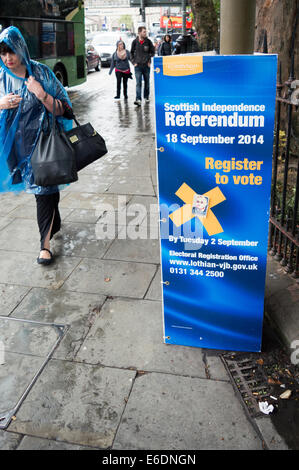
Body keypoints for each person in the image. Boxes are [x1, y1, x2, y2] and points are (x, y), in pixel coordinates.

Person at [0, 26, 73, 266]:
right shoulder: (1, 78)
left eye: (11, 52)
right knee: (44, 194)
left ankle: (44, 247)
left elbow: (65, 108)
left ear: (21, 48)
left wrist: (41, 94)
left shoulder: (41, 73)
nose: (8, 59)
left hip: (44, 145)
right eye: (2, 54)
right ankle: (54, 221)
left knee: (43, 194)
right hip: (16, 148)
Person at [130, 26, 155, 106]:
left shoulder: (148, 41)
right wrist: (133, 62)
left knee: (147, 82)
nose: (145, 33)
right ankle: (138, 99)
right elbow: (131, 53)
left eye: (145, 31)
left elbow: (153, 52)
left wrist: (149, 59)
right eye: (144, 32)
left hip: (146, 66)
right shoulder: (134, 42)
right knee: (138, 83)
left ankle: (146, 96)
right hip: (137, 66)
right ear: (139, 33)